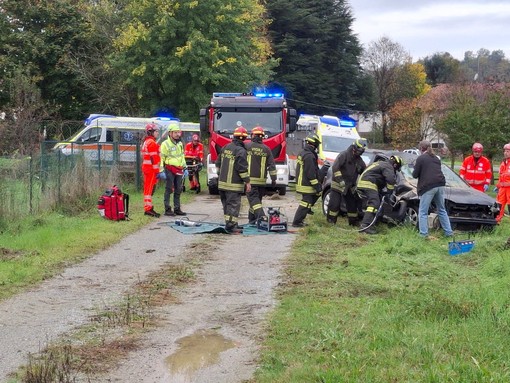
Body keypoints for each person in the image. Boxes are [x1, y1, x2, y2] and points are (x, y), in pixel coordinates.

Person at [412, 140, 454, 239]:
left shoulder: (421, 158)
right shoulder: (436, 158)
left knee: (423, 211)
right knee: (442, 210)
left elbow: (414, 175)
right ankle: (449, 232)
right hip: (440, 185)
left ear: (421, 149)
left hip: (428, 186)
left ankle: (423, 234)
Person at [215, 126, 251, 233]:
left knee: (226, 205)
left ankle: (229, 224)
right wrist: (247, 182)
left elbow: (218, 164)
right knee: (234, 205)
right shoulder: (241, 151)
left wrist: (221, 175)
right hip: (233, 185)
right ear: (244, 138)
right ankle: (232, 225)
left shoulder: (225, 147)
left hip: (222, 184)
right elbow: (242, 169)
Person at [357, 155, 403, 234]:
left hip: (365, 182)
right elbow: (390, 180)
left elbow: (379, 177)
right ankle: (365, 226)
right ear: (395, 164)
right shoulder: (388, 166)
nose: (395, 170)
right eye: (396, 168)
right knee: (374, 203)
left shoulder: (381, 163)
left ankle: (373, 223)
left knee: (377, 202)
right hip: (369, 183)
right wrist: (390, 191)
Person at [326, 139, 367, 226]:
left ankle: (353, 222)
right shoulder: (344, 155)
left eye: (361, 152)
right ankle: (331, 222)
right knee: (334, 204)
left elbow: (364, 171)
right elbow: (335, 168)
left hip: (349, 186)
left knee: (352, 205)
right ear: (354, 148)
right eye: (358, 152)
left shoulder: (359, 160)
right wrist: (340, 180)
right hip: (338, 184)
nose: (359, 154)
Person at [245, 126, 277, 223]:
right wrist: (274, 179)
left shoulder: (247, 147)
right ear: (262, 136)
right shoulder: (266, 149)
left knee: (254, 201)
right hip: (262, 182)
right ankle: (252, 220)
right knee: (256, 201)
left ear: (253, 135)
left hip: (250, 181)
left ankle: (262, 218)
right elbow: (271, 165)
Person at [292, 133, 322, 228]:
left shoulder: (303, 152)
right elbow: (310, 173)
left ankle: (306, 212)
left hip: (302, 182)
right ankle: (297, 222)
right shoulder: (309, 156)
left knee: (309, 200)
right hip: (306, 184)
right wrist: (317, 185)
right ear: (315, 144)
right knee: (306, 202)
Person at [160, 125, 187, 216]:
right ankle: (167, 209)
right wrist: (161, 170)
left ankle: (177, 208)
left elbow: (182, 156)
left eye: (178, 132)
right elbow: (161, 158)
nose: (177, 134)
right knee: (169, 189)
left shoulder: (179, 144)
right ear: (170, 133)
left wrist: (185, 167)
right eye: (175, 132)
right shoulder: (165, 144)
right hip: (169, 169)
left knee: (178, 189)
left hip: (179, 169)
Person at [141, 123, 161, 217]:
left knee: (147, 189)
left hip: (146, 168)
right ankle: (148, 209)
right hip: (151, 170)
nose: (157, 133)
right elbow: (154, 159)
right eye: (156, 131)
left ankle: (148, 207)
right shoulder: (152, 143)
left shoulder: (146, 142)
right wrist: (157, 172)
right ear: (151, 132)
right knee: (149, 190)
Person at [495, 143, 510, 224]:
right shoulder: (503, 163)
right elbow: (501, 176)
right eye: (505, 151)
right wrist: (498, 186)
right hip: (502, 189)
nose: (505, 153)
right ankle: (497, 220)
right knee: (499, 205)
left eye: (508, 151)